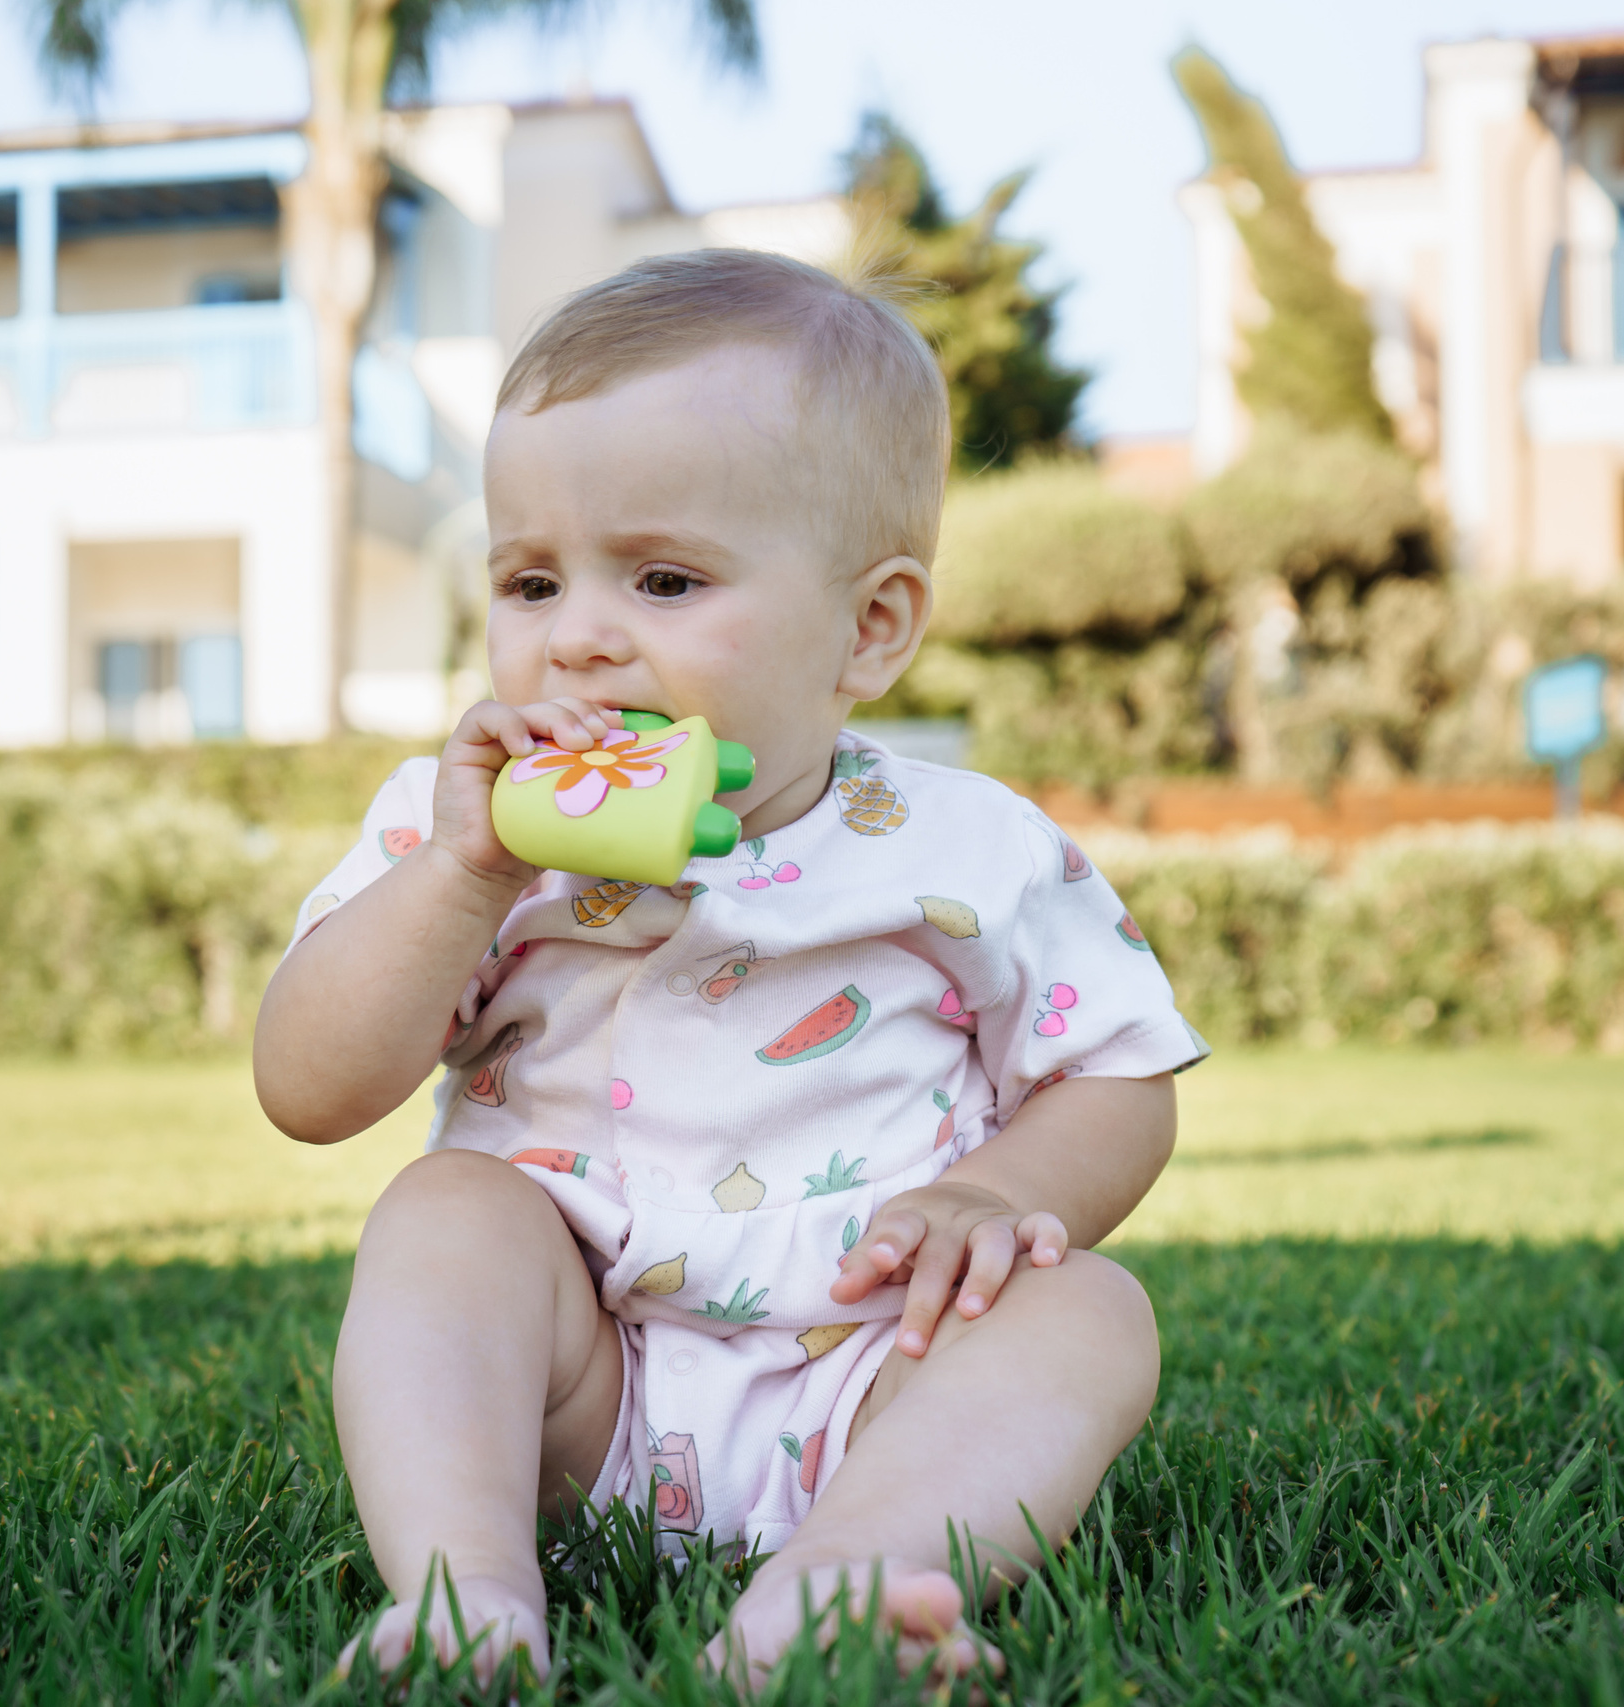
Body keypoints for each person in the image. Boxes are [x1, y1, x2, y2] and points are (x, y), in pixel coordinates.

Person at [254, 249, 1205, 1686]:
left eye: (665, 578)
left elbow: (1119, 1077)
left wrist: (1001, 1197)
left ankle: (833, 1594)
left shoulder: (968, 846)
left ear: (869, 629)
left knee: (1090, 1312)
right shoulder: (454, 830)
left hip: (881, 1369)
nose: (575, 636)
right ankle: (468, 1596)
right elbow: (308, 1089)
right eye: (529, 580)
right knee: (448, 1210)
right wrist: (461, 879)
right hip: (580, 1389)